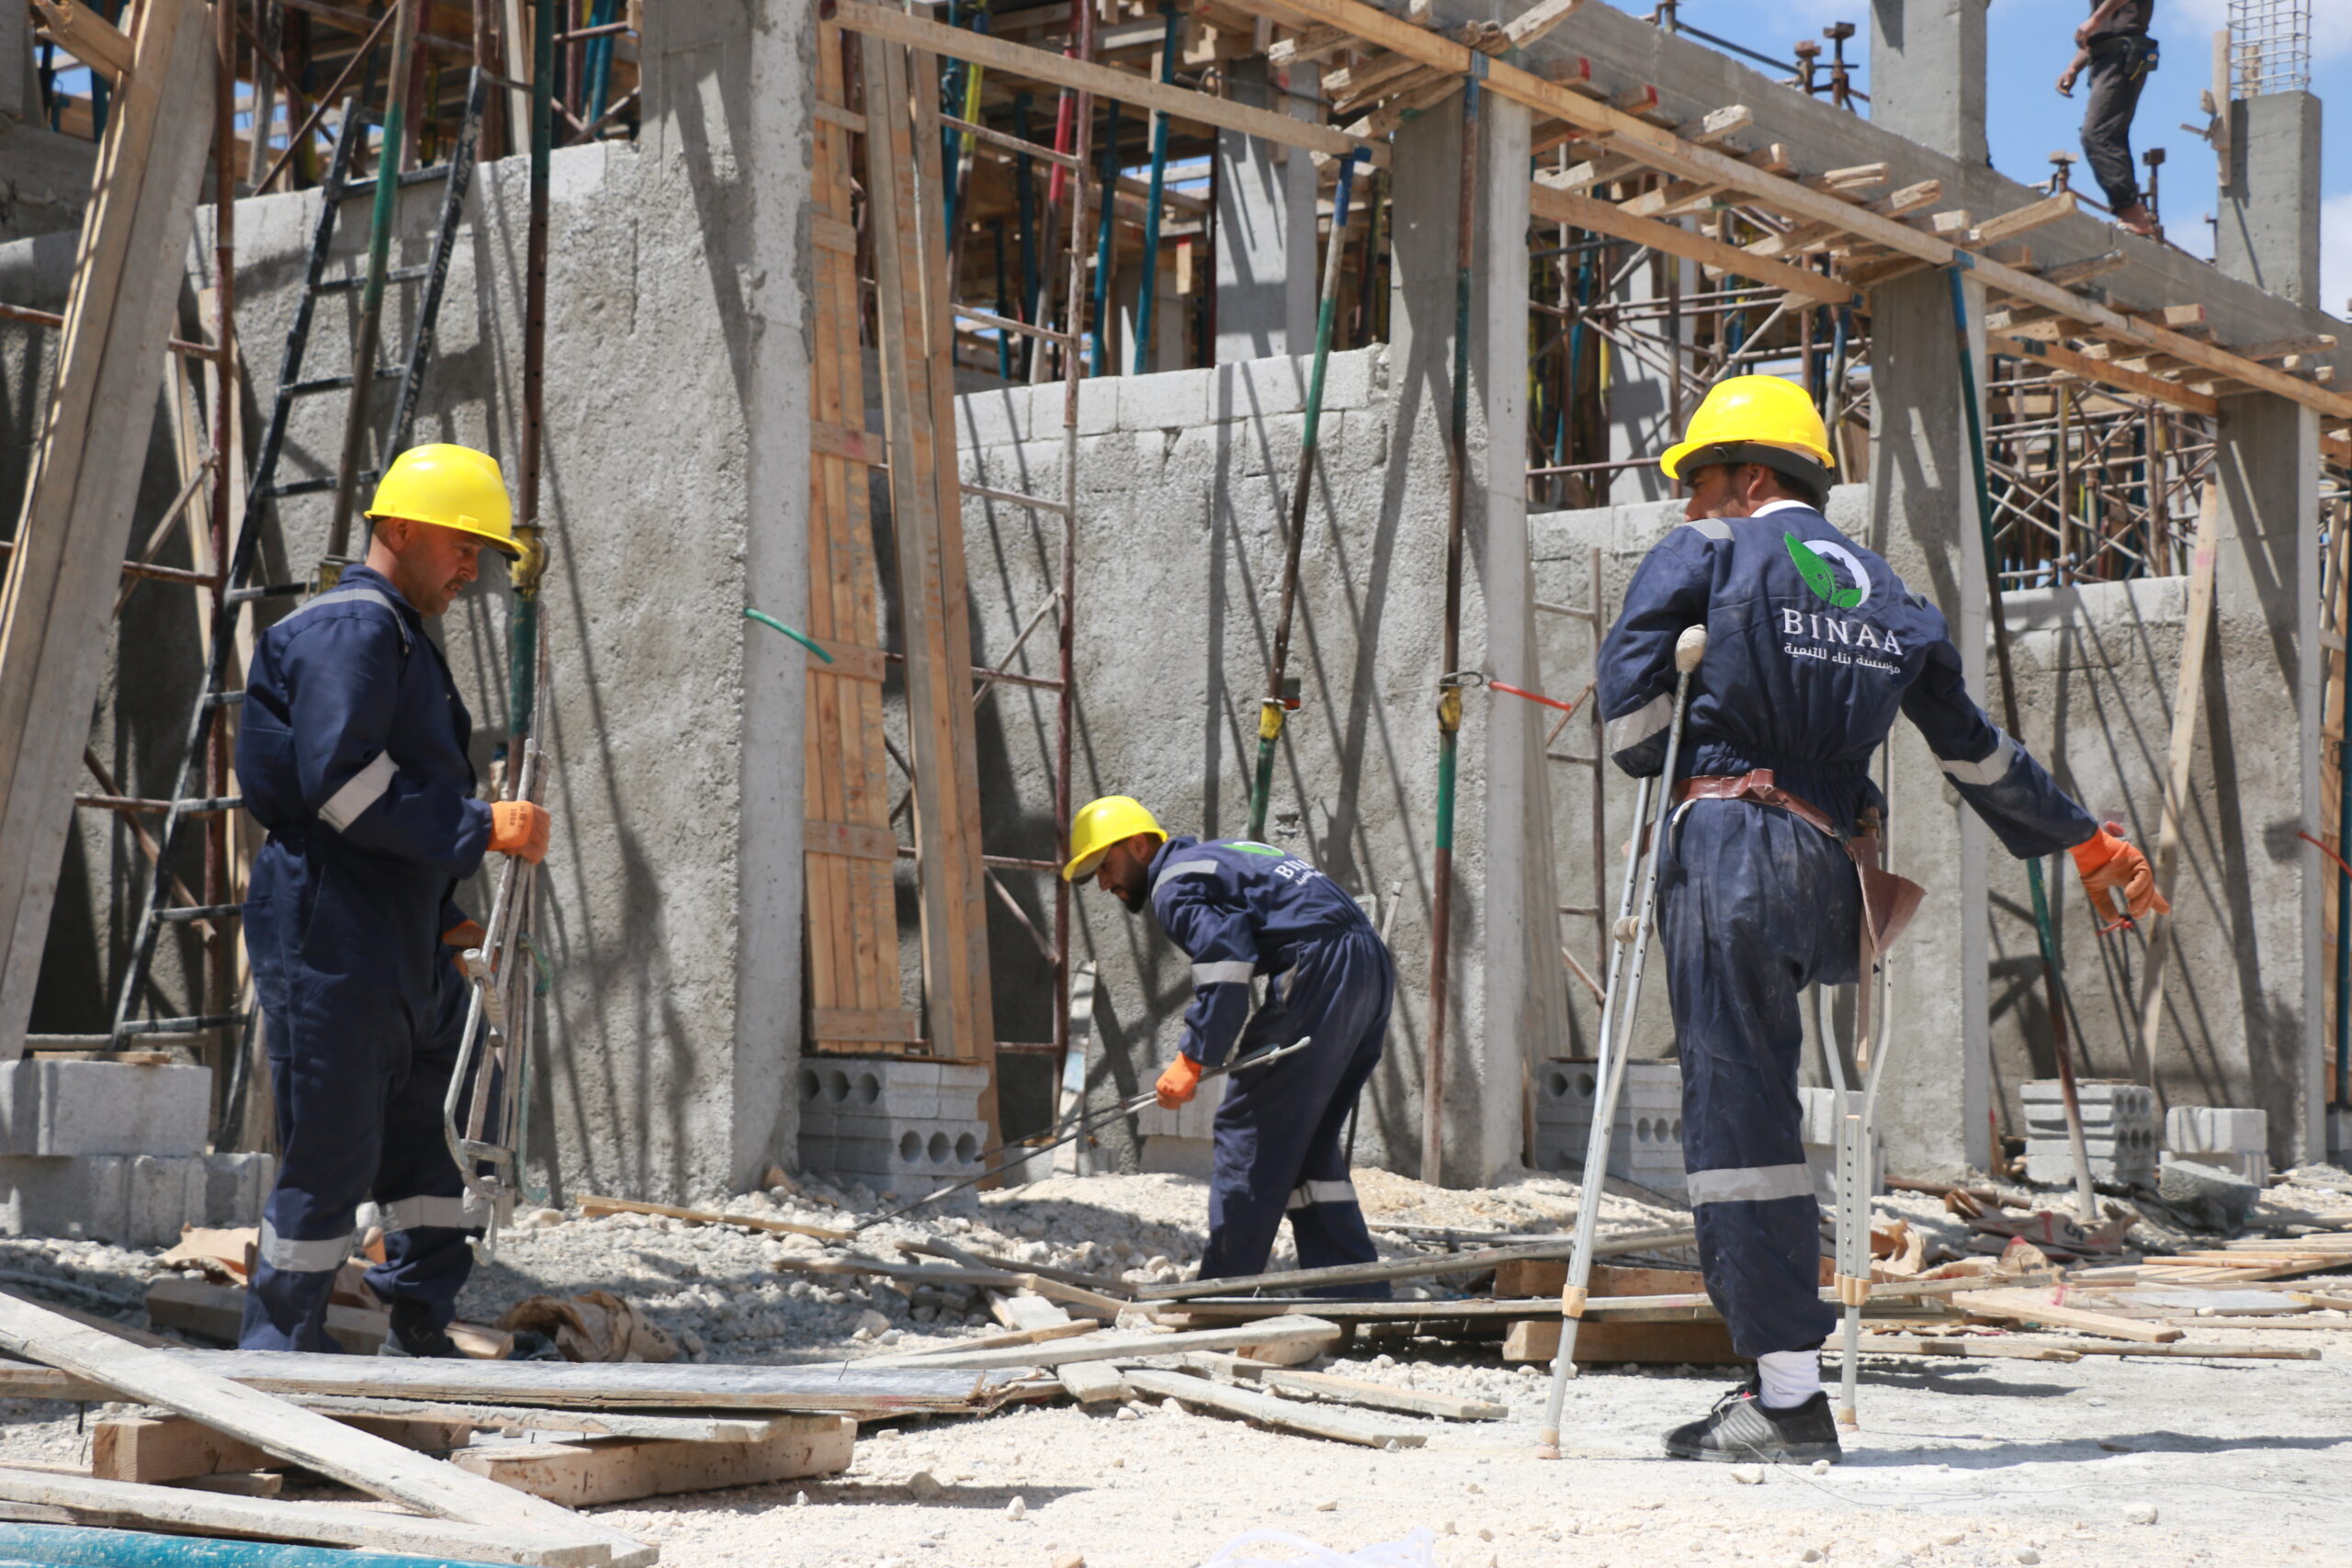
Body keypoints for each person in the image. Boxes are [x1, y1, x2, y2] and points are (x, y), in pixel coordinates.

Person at [1597, 376, 2164, 1462]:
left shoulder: (1709, 557)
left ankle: (1784, 1395)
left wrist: (1707, 715)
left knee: (1737, 1123)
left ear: (1751, 476)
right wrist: (2084, 838)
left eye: (1699, 482)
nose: (1687, 506)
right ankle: (1783, 1381)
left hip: (1728, 844)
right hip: (1830, 866)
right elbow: (1974, 751)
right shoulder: (1887, 591)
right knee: (1767, 1105)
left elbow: (1631, 728)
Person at [237, 443, 551, 1356]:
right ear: (401, 527)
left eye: (481, 553)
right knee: (331, 1148)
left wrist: (446, 909)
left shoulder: (401, 636)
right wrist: (481, 829)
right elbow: (344, 788)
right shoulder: (355, 631)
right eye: (460, 544)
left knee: (430, 1145)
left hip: (398, 930)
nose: (471, 567)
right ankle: (275, 1359)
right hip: (332, 929)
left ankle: (420, 1324)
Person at [1062, 796, 1392, 1292]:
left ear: (1138, 845)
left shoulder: (1173, 885)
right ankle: (1353, 1291)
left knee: (1247, 1125)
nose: (1105, 883)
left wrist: (1194, 1058)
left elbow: (1226, 964)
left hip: (1319, 965)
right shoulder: (1219, 856)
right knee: (1309, 1142)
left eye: (1105, 866)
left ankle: (1224, 1290)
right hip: (1367, 964)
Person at [2057, 0, 2158, 237]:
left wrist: (2097, 18)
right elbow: (2098, 34)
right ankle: (2133, 212)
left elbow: (2101, 24)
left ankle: (2132, 212)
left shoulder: (2106, 12)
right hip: (2105, 58)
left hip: (2122, 55)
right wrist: (2073, 67)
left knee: (2097, 135)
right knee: (2110, 136)